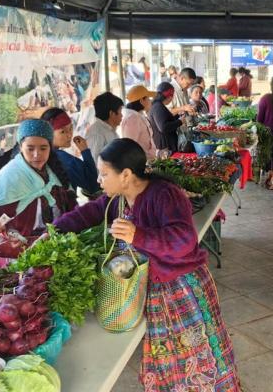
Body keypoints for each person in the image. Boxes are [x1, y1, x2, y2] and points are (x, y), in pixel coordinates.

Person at [52, 139, 241, 391]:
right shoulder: (117, 199)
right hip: (154, 290)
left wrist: (137, 235)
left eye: (104, 174)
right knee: (168, 360)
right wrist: (53, 231)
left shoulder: (164, 194)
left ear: (126, 174)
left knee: (197, 354)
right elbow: (88, 213)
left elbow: (185, 239)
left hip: (180, 288)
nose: (99, 180)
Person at [0, 119, 77, 237]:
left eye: (43, 148)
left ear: (50, 147)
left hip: (56, 237)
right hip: (20, 243)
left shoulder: (55, 172)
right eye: (30, 149)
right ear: (20, 147)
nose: (37, 154)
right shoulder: (8, 177)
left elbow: (71, 207)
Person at [41, 108, 100, 197]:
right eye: (63, 131)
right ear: (48, 134)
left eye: (71, 128)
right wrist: (85, 151)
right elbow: (93, 185)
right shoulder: (64, 159)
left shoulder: (38, 155)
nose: (69, 135)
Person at [121, 85, 158, 161]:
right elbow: (130, 146)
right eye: (148, 98)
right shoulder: (132, 119)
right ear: (141, 101)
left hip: (147, 160)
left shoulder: (138, 115)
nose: (150, 101)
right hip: (140, 162)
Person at [86, 92, 124, 160]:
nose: (122, 115)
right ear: (111, 113)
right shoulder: (97, 134)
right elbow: (95, 164)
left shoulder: (109, 129)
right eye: (120, 112)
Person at [148, 82, 183, 155]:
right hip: (164, 148)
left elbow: (165, 119)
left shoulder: (158, 105)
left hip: (166, 146)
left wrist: (177, 116)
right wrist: (180, 121)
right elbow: (163, 127)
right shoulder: (158, 107)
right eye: (172, 96)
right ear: (170, 96)